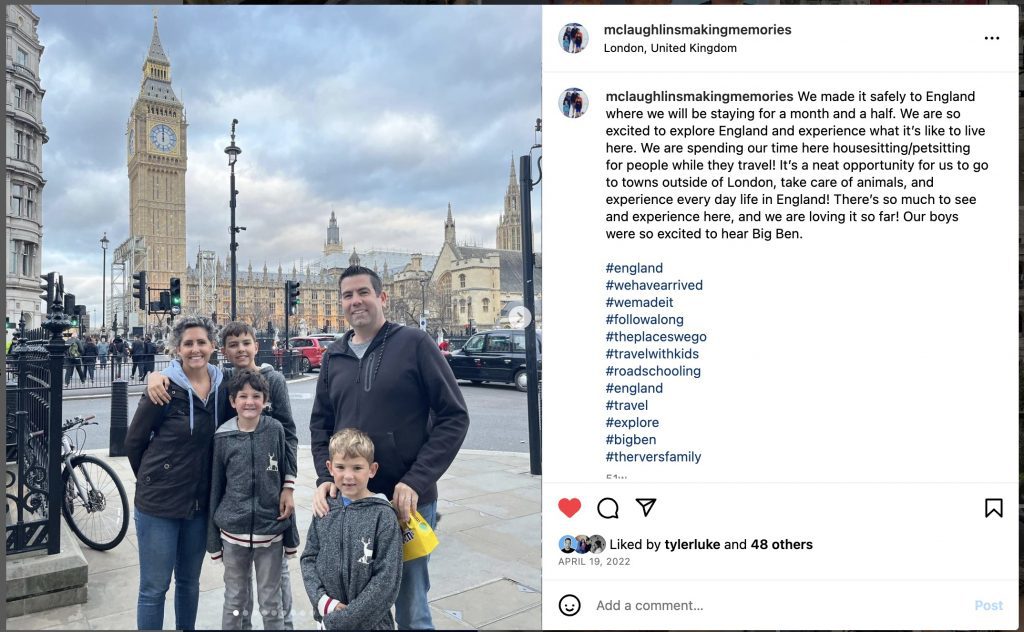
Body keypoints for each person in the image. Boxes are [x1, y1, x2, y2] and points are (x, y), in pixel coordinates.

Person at [310, 265, 470, 630]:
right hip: (350, 504)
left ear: (382, 297)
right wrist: (325, 475)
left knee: (412, 606)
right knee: (353, 604)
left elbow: (454, 417)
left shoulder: (414, 343)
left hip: (406, 502)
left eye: (363, 292)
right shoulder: (334, 355)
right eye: (348, 295)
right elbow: (321, 423)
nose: (356, 301)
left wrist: (417, 479)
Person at [147, 320, 300, 629]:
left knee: (276, 580)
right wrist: (156, 374)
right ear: (224, 351)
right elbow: (189, 373)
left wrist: (289, 485)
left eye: (246, 343)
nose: (240, 349)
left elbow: (290, 435)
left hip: (270, 493)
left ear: (257, 346)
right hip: (238, 495)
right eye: (233, 345)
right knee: (237, 591)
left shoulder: (274, 381)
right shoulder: (224, 379)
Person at [124, 316, 227, 631]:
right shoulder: (164, 387)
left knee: (189, 582)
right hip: (159, 504)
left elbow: (258, 386)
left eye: (201, 342)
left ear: (212, 346)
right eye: (188, 344)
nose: (195, 349)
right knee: (154, 588)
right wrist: (153, 480)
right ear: (177, 349)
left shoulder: (224, 387)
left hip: (197, 504)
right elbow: (134, 442)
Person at [208, 369, 298, 630]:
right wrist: (213, 542)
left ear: (265, 400)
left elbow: (283, 472)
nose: (249, 401)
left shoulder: (275, 430)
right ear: (232, 401)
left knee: (271, 603)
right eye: (243, 396)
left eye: (256, 396)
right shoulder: (222, 437)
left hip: (270, 534)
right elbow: (216, 487)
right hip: (233, 534)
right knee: (236, 601)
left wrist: (290, 539)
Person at [301, 428, 402, 630]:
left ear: (372, 470)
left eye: (357, 468)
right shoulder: (325, 508)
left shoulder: (383, 516)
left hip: (370, 624)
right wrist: (323, 602)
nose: (348, 476)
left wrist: (344, 621)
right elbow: (309, 558)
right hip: (328, 615)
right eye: (340, 467)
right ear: (329, 468)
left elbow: (387, 579)